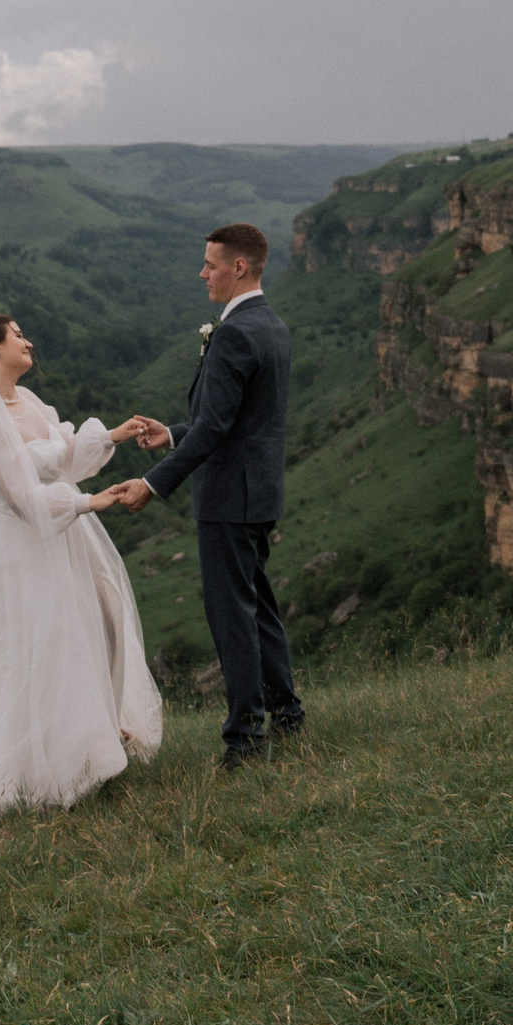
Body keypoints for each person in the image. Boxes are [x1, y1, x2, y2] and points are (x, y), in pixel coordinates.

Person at [0, 313, 167, 823]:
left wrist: (112, 435)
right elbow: (24, 499)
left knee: (101, 616)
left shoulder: (26, 400)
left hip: (67, 530)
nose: (28, 342)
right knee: (47, 638)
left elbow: (63, 458)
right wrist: (91, 502)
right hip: (24, 543)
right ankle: (58, 765)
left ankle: (96, 732)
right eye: (17, 335)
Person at [106, 223, 304, 769]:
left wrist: (152, 482)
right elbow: (234, 420)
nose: (202, 274)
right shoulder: (272, 324)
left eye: (211, 265)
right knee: (258, 607)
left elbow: (216, 428)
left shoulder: (235, 333)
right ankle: (288, 715)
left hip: (228, 498)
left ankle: (245, 740)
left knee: (231, 616)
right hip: (258, 492)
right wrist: (172, 434)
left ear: (239, 266)